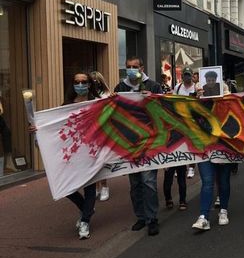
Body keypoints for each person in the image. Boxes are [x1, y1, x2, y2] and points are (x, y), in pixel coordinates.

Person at [29, 73, 100, 239]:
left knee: (90, 185)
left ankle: (85, 221)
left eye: (84, 82)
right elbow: (56, 126)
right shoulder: (66, 106)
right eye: (77, 82)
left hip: (91, 152)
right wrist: (39, 130)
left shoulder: (97, 104)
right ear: (72, 84)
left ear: (89, 84)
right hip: (73, 152)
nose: (81, 85)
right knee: (67, 186)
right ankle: (86, 209)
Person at [114, 56, 163, 236]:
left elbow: (164, 110)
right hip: (130, 143)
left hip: (150, 142)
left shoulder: (154, 86)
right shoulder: (120, 88)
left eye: (135, 66)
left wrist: (154, 99)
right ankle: (141, 217)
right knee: (135, 184)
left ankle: (152, 218)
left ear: (142, 68)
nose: (131, 69)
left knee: (149, 182)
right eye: (128, 67)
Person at [192, 82, 234, 231]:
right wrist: (197, 100)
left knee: (223, 181)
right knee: (207, 181)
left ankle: (223, 210)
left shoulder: (229, 107)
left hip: (224, 149)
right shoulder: (199, 105)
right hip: (205, 150)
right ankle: (203, 216)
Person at [90, 71, 112, 201]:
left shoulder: (107, 95)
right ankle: (97, 187)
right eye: (92, 81)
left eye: (96, 80)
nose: (94, 83)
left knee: (102, 160)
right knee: (92, 160)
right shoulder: (88, 96)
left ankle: (104, 186)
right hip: (91, 132)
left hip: (104, 131)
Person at [174, 66, 198, 179]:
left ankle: (191, 167)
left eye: (189, 75)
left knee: (192, 145)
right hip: (180, 120)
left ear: (192, 76)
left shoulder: (197, 88)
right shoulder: (177, 87)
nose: (187, 77)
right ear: (182, 76)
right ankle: (180, 166)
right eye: (185, 75)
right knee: (181, 144)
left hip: (194, 121)